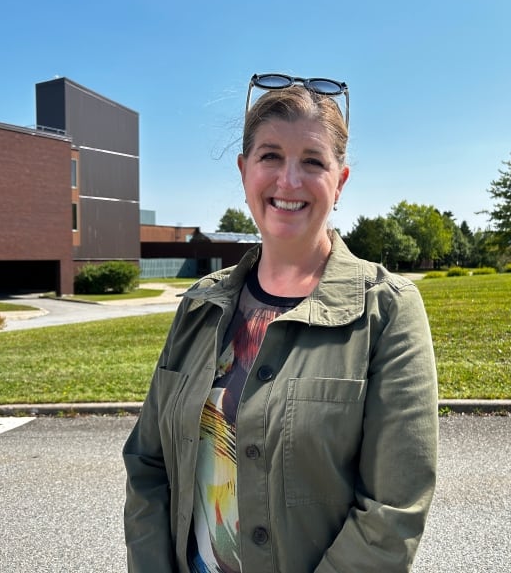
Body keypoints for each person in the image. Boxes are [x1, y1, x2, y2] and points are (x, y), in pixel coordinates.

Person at [123, 72, 439, 573]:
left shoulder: (388, 310)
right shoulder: (200, 306)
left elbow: (392, 512)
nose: (289, 181)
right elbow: (148, 465)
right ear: (245, 170)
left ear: (340, 181)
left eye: (313, 161)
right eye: (270, 156)